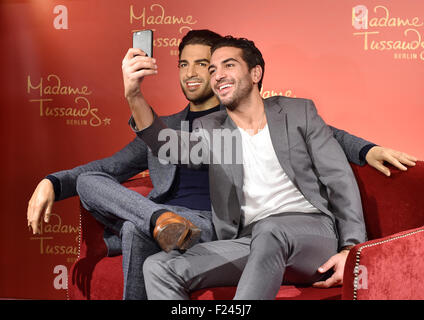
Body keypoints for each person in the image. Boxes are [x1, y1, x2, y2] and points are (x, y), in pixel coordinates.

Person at [26, 30, 416, 300]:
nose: (214, 75)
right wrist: (133, 93)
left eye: (225, 65)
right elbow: (164, 145)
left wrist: (353, 247)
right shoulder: (214, 130)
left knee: (274, 232)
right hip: (248, 238)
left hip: (309, 232)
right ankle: (159, 220)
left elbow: (337, 175)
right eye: (212, 70)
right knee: (161, 269)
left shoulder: (297, 112)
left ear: (255, 73)